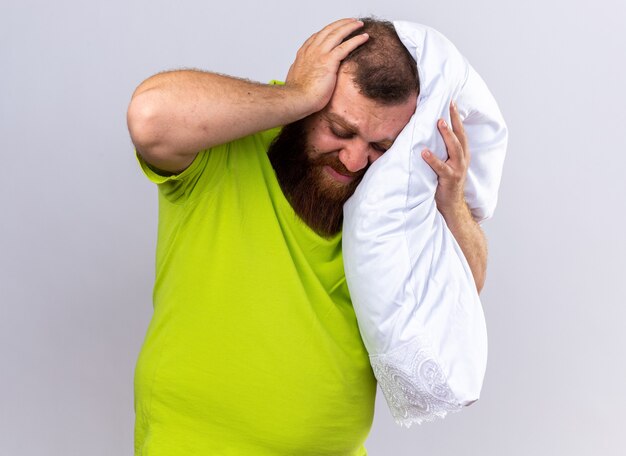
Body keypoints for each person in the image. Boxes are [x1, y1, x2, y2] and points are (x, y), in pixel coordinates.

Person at [127, 17, 487, 456]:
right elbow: (149, 118)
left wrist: (453, 206)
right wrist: (292, 96)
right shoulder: (226, 146)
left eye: (381, 146)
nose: (356, 160)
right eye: (340, 130)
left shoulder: (392, 198)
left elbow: (463, 292)